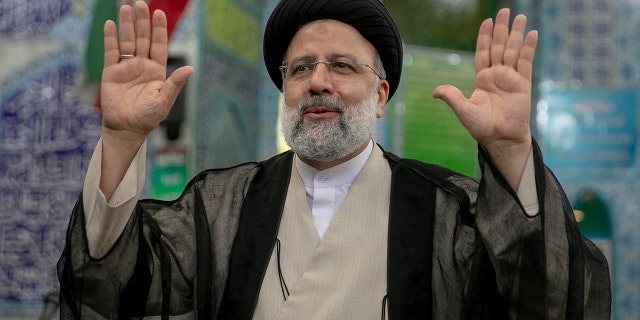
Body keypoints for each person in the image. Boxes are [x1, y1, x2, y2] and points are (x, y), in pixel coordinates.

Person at [58, 0, 611, 319]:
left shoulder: (451, 209)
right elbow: (110, 287)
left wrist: (510, 150)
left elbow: (551, 300)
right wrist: (123, 138)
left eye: (342, 66)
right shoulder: (221, 202)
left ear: (380, 95)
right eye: (300, 69)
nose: (318, 81)